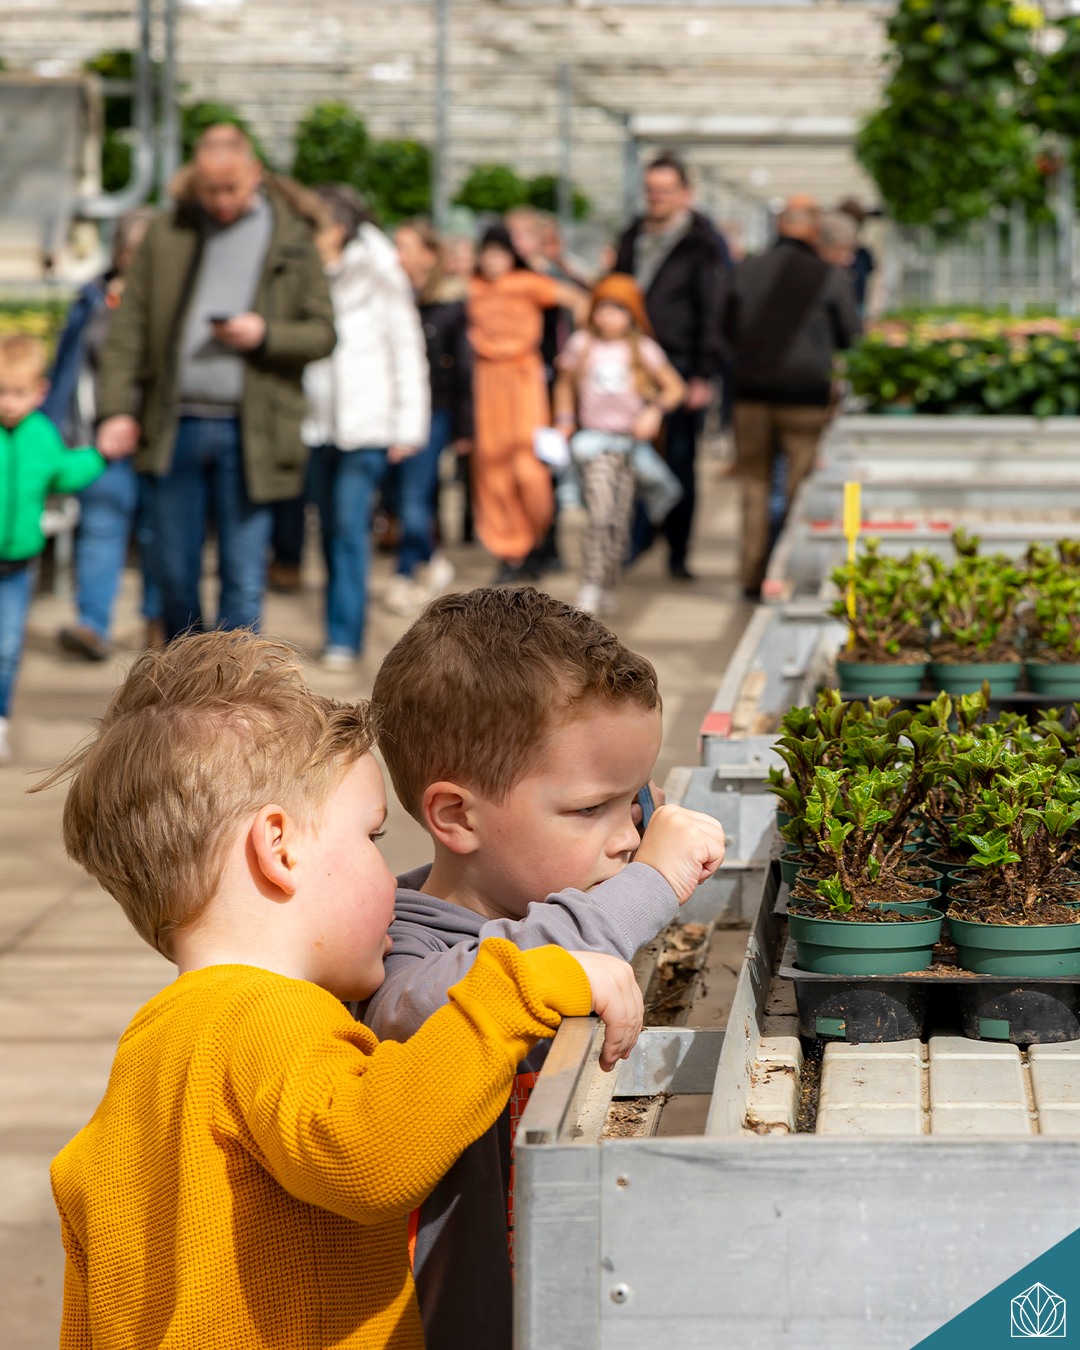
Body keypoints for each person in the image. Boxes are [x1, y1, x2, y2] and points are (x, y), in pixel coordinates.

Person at [41, 628, 649, 1350]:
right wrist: (526, 984)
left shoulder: (152, 1052)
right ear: (280, 849)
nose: (388, 873)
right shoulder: (267, 1016)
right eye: (371, 836)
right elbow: (367, 1156)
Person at [365, 587, 727, 1350]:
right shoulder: (403, 959)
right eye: (590, 809)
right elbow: (465, 988)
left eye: (634, 801)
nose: (629, 837)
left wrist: (630, 810)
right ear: (456, 817)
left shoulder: (563, 876)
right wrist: (652, 885)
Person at [96, 124, 336, 643]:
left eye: (232, 189)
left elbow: (323, 333)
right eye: (211, 190)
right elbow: (129, 327)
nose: (222, 201)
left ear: (254, 174)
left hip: (252, 430)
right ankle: (189, 699)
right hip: (174, 423)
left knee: (243, 579)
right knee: (173, 574)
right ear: (194, 181)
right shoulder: (169, 232)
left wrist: (266, 333)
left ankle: (237, 707)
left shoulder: (291, 237)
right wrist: (115, 409)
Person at [298, 185, 430, 669]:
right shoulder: (306, 271)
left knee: (350, 526)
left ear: (334, 230)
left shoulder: (379, 271)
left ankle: (344, 634)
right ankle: (341, 622)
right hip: (317, 426)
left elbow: (406, 347)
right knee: (329, 525)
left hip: (368, 425)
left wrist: (407, 426)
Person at [719, 195, 862, 599]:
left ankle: (750, 577)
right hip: (806, 397)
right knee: (801, 490)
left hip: (750, 396)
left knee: (755, 485)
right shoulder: (828, 275)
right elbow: (852, 336)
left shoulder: (745, 269)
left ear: (779, 226)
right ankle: (792, 577)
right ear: (814, 231)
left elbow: (724, 330)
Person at [42, 206, 161, 659]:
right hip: (102, 440)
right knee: (101, 526)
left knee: (158, 532)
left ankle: (159, 620)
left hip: (159, 439)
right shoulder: (94, 298)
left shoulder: (175, 299)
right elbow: (70, 367)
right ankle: (92, 623)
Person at [0, 335, 123, 765]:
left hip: (18, 565)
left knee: (8, 646)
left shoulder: (41, 434)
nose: (8, 402)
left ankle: (0, 720)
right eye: (0, 391)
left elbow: (63, 473)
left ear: (39, 392)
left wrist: (100, 456)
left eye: (17, 393)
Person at [613, 153, 728, 579]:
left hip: (679, 365)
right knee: (633, 454)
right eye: (651, 191)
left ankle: (678, 550)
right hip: (631, 364)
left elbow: (713, 310)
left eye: (665, 191)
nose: (656, 199)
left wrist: (703, 373)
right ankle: (638, 536)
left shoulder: (702, 243)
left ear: (685, 194)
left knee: (680, 458)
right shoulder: (632, 235)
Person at [552, 274, 686, 615]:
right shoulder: (582, 345)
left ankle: (609, 580)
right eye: (603, 309)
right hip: (595, 446)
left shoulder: (642, 349)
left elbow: (674, 387)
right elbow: (565, 384)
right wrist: (565, 419)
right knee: (598, 514)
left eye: (618, 310)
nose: (608, 317)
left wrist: (654, 412)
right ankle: (591, 582)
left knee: (618, 518)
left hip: (628, 446)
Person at [467, 224, 586, 585]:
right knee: (491, 466)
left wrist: (578, 350)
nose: (492, 262)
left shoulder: (528, 283)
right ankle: (508, 549)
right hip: (487, 380)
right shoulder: (473, 288)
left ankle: (537, 536)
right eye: (486, 253)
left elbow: (581, 299)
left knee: (529, 466)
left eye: (499, 253)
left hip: (524, 379)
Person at [388, 218, 471, 616]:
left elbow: (463, 371)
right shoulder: (391, 297)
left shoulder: (452, 306)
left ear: (428, 255)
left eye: (403, 245)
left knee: (412, 497)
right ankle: (414, 569)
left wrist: (465, 428)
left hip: (435, 412)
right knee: (402, 496)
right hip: (392, 412)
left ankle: (419, 568)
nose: (395, 254)